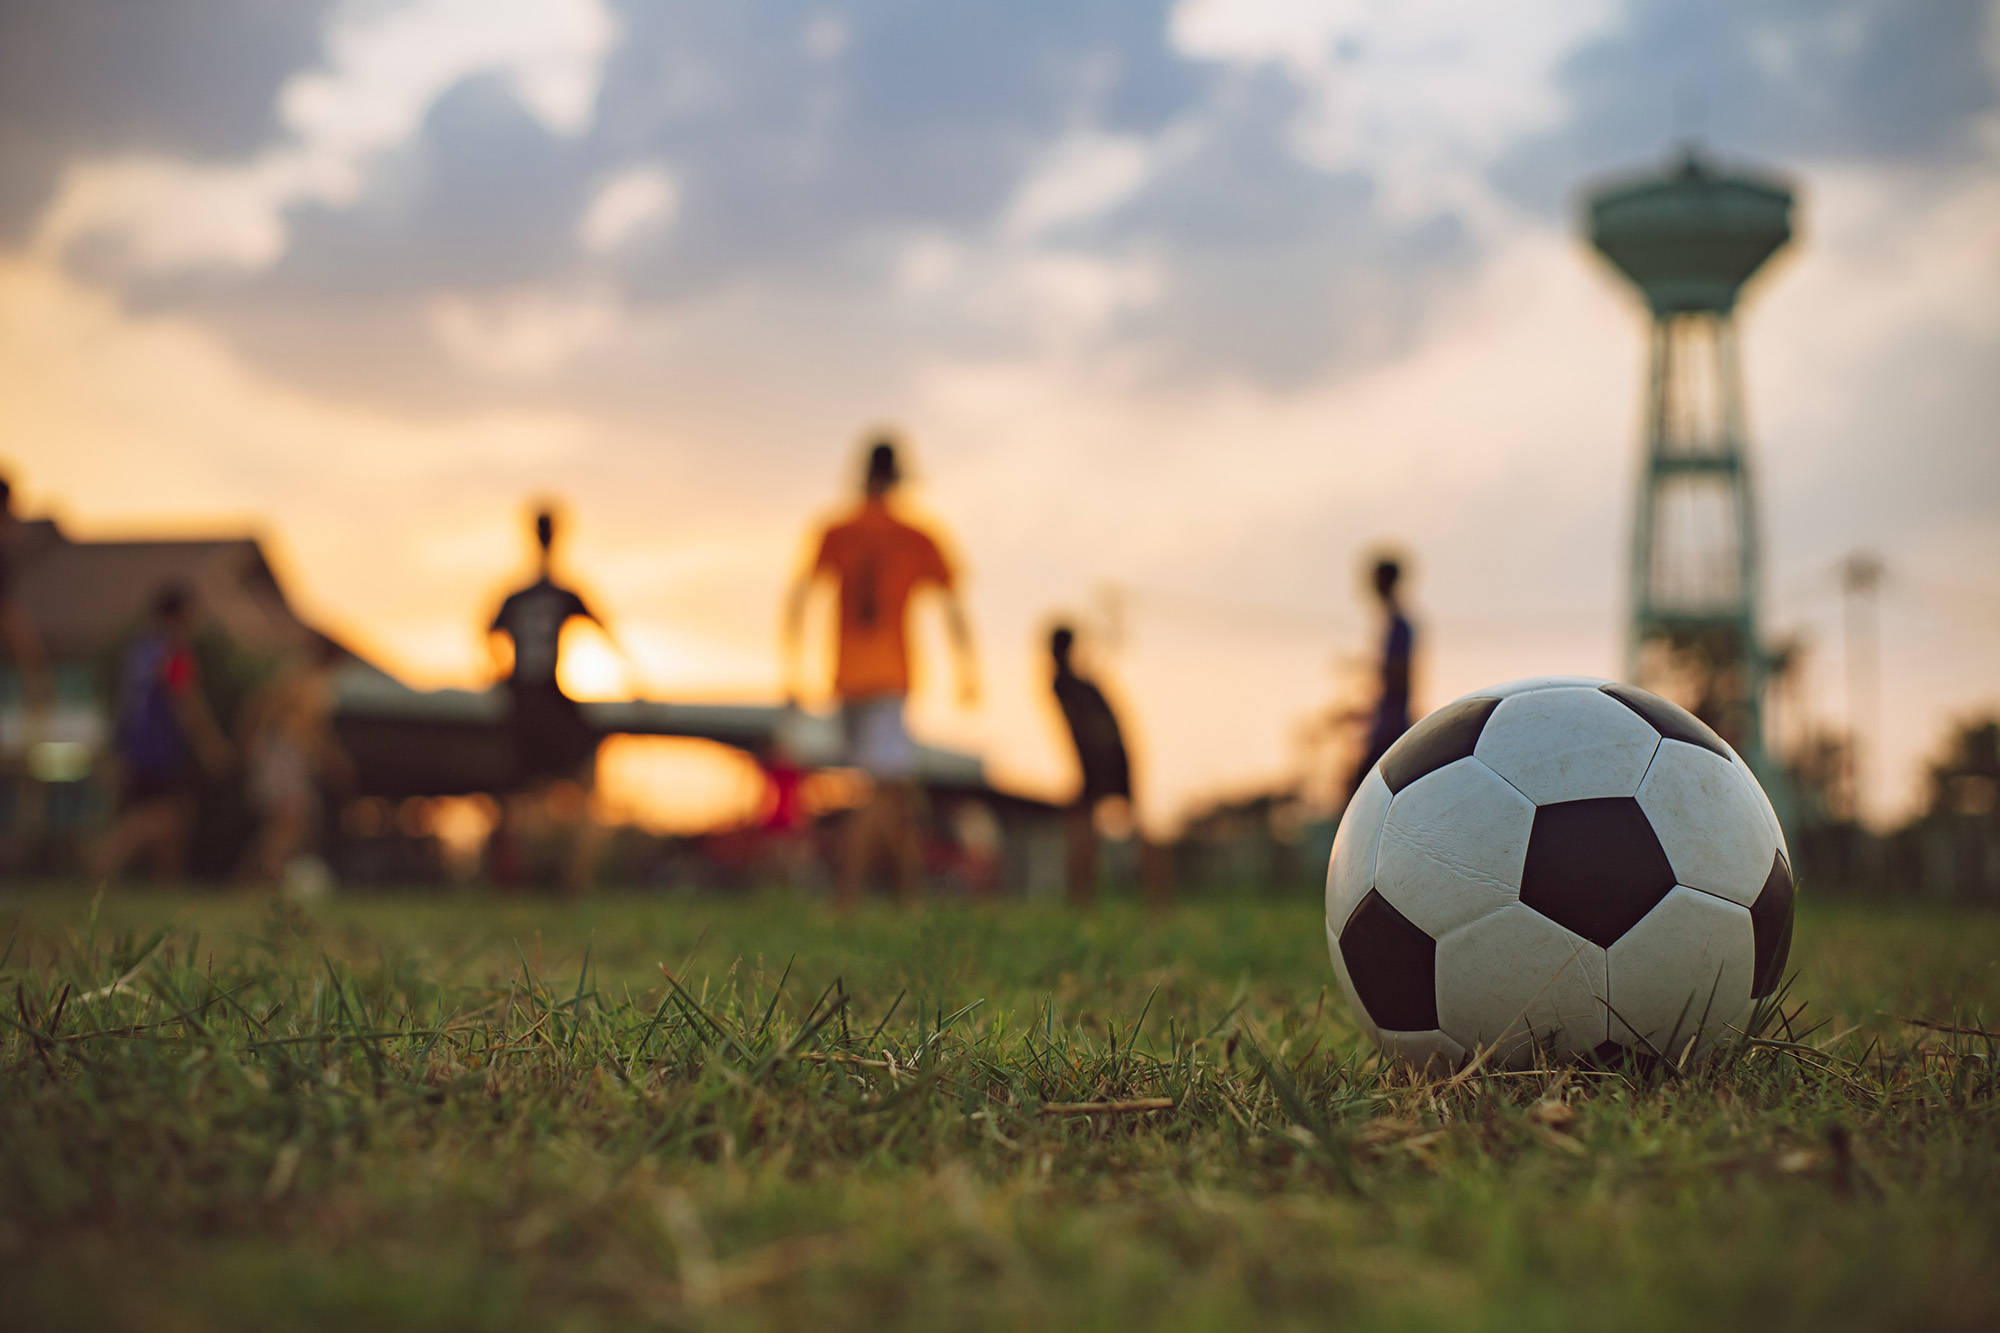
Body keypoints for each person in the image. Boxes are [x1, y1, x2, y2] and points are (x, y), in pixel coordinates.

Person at [783, 438, 977, 909]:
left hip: (846, 676)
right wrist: (967, 666)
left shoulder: (836, 530)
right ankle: (846, 895)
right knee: (883, 789)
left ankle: (909, 897)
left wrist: (791, 666)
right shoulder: (915, 536)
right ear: (897, 481)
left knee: (892, 791)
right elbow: (952, 606)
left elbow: (801, 597)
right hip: (889, 676)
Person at [488, 506, 605, 895]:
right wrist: (638, 687)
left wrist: (500, 676)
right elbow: (608, 631)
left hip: (520, 703)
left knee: (516, 793)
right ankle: (574, 879)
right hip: (547, 701)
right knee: (584, 777)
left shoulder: (517, 596)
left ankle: (518, 879)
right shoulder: (562, 593)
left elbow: (487, 636)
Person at [90, 584, 233, 882]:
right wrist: (211, 745)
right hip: (159, 747)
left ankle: (165, 885)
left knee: (176, 817)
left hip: (138, 745)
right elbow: (185, 698)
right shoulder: (173, 651)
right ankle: (104, 856)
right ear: (181, 615)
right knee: (165, 815)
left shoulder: (141, 649)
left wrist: (120, 749)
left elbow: (128, 704)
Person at [239, 637, 352, 886]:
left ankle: (252, 879)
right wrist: (253, 741)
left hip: (296, 758)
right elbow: (262, 704)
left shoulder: (321, 684)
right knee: (290, 817)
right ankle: (269, 874)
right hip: (282, 753)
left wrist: (332, 758)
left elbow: (316, 731)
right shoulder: (300, 677)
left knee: (292, 820)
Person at [1049, 624, 1134, 908]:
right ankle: (1084, 899)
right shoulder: (1068, 683)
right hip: (1100, 761)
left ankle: (1084, 899)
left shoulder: (1071, 683)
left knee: (1090, 826)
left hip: (1104, 761)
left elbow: (1096, 724)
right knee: (1084, 826)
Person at [1351, 555, 1415, 796]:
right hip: (1385, 721)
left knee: (1363, 789)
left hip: (1391, 725)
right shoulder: (1391, 623)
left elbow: (1398, 677)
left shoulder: (1400, 625)